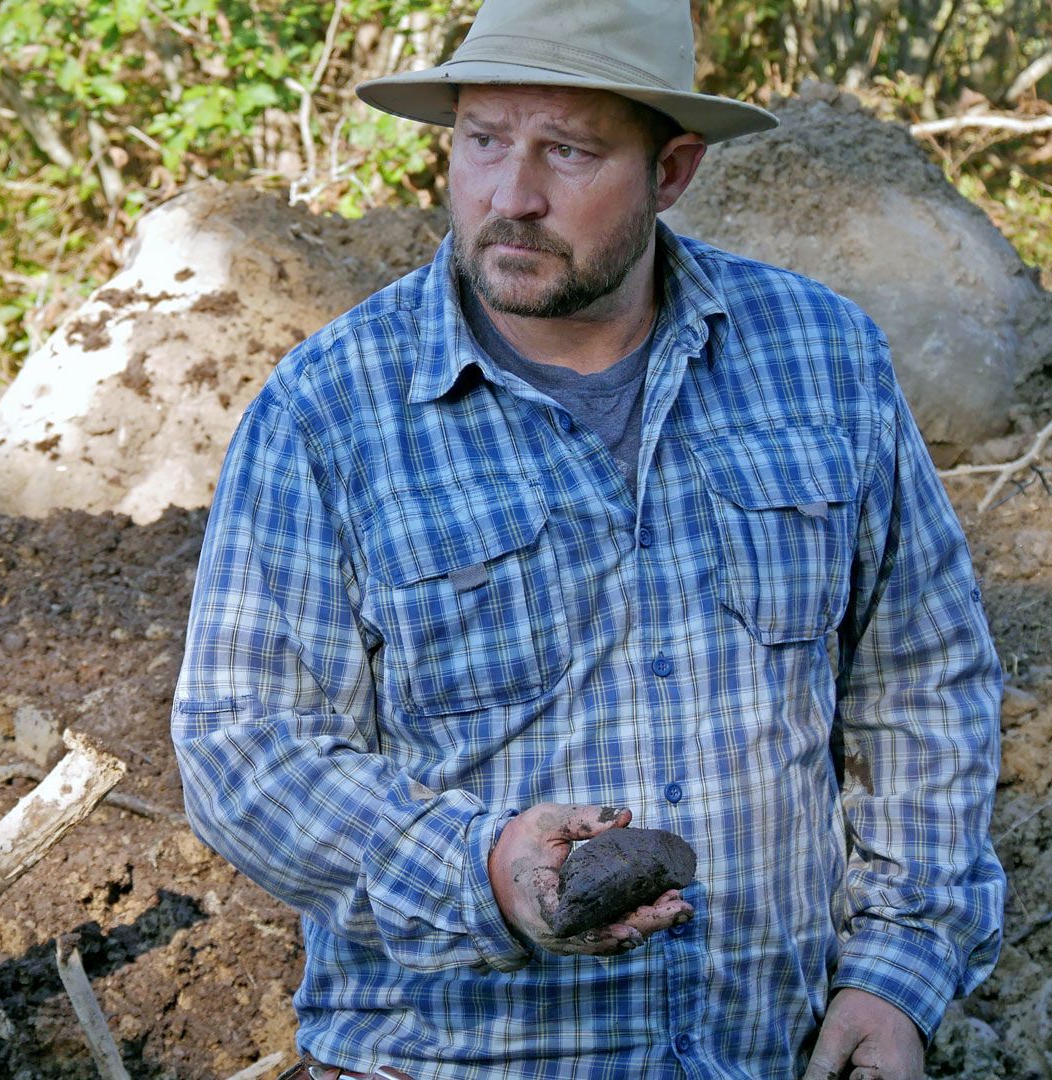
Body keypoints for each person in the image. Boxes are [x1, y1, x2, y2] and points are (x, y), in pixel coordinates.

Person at [171, 2, 1005, 1078]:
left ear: (672, 171)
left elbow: (923, 677)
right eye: (482, 141)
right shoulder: (330, 411)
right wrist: (480, 869)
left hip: (770, 1052)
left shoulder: (821, 357)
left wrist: (896, 971)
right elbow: (243, 744)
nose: (510, 196)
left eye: (566, 150)